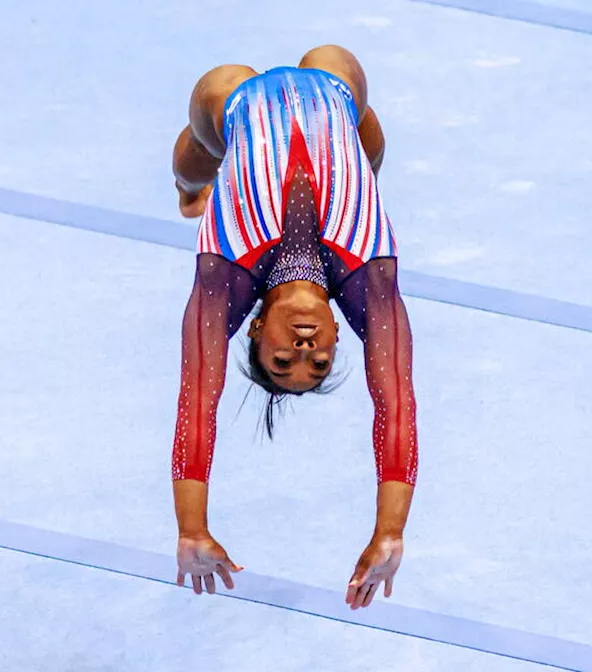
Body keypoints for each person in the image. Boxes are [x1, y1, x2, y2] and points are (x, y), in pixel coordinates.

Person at [171, 45, 417, 610]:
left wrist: (191, 527)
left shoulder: (224, 282)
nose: (305, 350)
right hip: (335, 95)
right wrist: (390, 531)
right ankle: (356, 144)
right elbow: (397, 403)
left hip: (231, 105)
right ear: (339, 335)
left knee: (200, 145)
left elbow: (197, 403)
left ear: (254, 330)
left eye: (285, 361)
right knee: (334, 68)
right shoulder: (371, 283)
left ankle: (188, 187)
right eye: (320, 362)